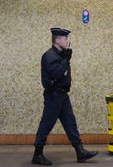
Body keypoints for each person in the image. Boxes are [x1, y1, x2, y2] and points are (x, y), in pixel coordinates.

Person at [32, 28, 98, 165]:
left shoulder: (61, 55)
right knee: (46, 124)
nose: (67, 41)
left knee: (70, 123)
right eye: (65, 38)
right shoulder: (49, 56)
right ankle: (37, 155)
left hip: (62, 95)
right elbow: (56, 74)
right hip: (53, 96)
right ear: (57, 40)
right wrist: (65, 60)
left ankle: (80, 152)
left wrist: (65, 58)